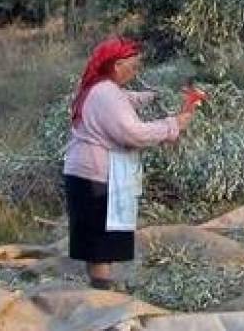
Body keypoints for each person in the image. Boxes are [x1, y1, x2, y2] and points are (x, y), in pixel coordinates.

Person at [62, 37, 194, 290]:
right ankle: (103, 296)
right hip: (96, 177)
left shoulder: (100, 87)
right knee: (101, 243)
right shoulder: (106, 93)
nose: (135, 73)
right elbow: (132, 133)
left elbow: (127, 99)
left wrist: (154, 96)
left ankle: (99, 289)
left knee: (98, 241)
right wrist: (173, 124)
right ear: (117, 65)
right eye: (132, 67)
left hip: (89, 173)